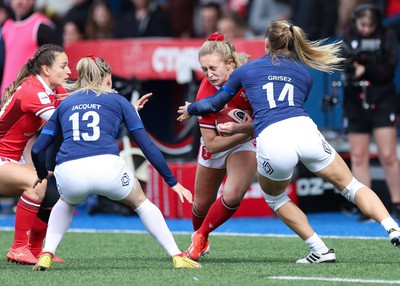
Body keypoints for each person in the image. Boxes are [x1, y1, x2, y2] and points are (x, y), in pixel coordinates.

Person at [178, 20, 400, 262]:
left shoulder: (246, 70)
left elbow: (213, 104)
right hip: (305, 130)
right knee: (352, 186)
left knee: (276, 198)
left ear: (265, 43)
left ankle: (320, 249)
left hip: (273, 138)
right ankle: (392, 226)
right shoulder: (304, 74)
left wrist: (192, 109)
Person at [30, 55, 201, 271]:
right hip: (107, 168)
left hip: (69, 170)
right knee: (141, 202)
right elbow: (147, 146)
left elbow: (37, 148)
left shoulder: (65, 104)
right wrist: (172, 181)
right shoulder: (119, 100)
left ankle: (47, 253)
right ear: (108, 78)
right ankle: (176, 255)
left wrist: (41, 173)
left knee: (65, 202)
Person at [182, 32, 257, 262]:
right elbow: (213, 145)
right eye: (204, 70)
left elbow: (267, 120)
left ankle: (201, 236)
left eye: (213, 68)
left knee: (232, 195)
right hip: (220, 141)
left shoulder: (251, 80)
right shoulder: (205, 91)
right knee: (200, 203)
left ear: (230, 64)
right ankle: (199, 236)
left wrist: (244, 131)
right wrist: (243, 130)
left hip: (244, 141)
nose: (208, 75)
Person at [0, 44, 70, 265]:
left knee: (54, 196)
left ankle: (34, 249)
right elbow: (65, 122)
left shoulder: (52, 90)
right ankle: (18, 248)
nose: (69, 71)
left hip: (11, 160)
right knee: (36, 184)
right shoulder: (33, 91)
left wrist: (124, 107)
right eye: (64, 66)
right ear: (46, 70)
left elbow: (77, 106)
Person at [340, 3, 400, 222]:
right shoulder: (347, 35)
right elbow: (340, 63)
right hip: (355, 99)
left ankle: (397, 203)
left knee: (388, 155)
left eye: (370, 25)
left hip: (382, 98)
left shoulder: (387, 35)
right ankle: (366, 207)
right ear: (356, 21)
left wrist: (366, 69)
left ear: (377, 24)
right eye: (362, 24)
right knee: (358, 155)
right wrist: (349, 66)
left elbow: (390, 67)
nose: (365, 29)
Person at [0, 0, 59, 97]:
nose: (19, 2)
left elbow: (53, 66)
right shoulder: (6, 27)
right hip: (6, 95)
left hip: (30, 96)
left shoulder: (42, 26)